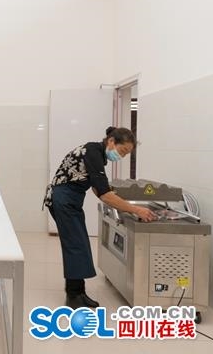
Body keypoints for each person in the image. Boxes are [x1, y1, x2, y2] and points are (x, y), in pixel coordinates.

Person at [43, 126, 157, 309]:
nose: (122, 156)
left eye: (126, 154)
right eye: (122, 151)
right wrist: (136, 210)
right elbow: (104, 194)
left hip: (69, 200)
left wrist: (119, 202)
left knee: (79, 244)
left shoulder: (97, 154)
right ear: (111, 141)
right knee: (75, 245)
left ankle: (79, 293)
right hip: (63, 200)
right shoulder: (93, 152)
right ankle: (73, 296)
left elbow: (98, 188)